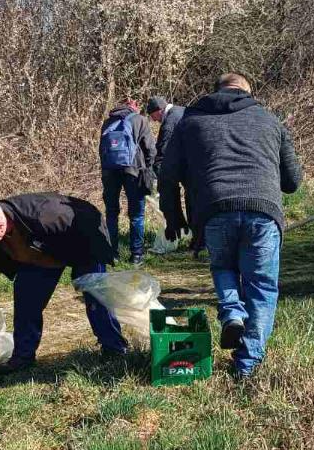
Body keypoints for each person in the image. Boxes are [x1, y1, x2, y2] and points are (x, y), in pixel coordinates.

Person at [161, 73, 302, 379]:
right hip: (263, 211)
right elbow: (292, 182)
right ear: (248, 92)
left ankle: (232, 314)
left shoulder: (190, 122)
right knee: (261, 287)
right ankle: (246, 366)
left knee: (223, 266)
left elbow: (167, 174)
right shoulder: (270, 120)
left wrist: (174, 217)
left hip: (214, 209)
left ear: (216, 92)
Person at [0, 194, 128, 373]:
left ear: (0, 226)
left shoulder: (47, 215)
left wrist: (89, 269)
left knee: (95, 296)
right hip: (40, 254)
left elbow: (90, 230)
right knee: (26, 299)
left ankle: (114, 349)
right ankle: (23, 357)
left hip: (83, 239)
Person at [99, 98, 156, 266]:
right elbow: (150, 148)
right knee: (137, 214)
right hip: (133, 171)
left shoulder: (108, 122)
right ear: (134, 106)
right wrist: (148, 168)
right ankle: (136, 255)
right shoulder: (139, 120)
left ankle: (112, 254)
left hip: (110, 172)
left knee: (111, 213)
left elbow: (101, 150)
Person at [146, 95, 191, 244]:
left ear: (158, 110)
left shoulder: (170, 121)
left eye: (153, 116)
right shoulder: (183, 111)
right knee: (192, 198)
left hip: (186, 167)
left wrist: (157, 174)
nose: (154, 120)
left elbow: (163, 151)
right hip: (194, 164)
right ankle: (195, 236)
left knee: (188, 199)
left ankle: (193, 237)